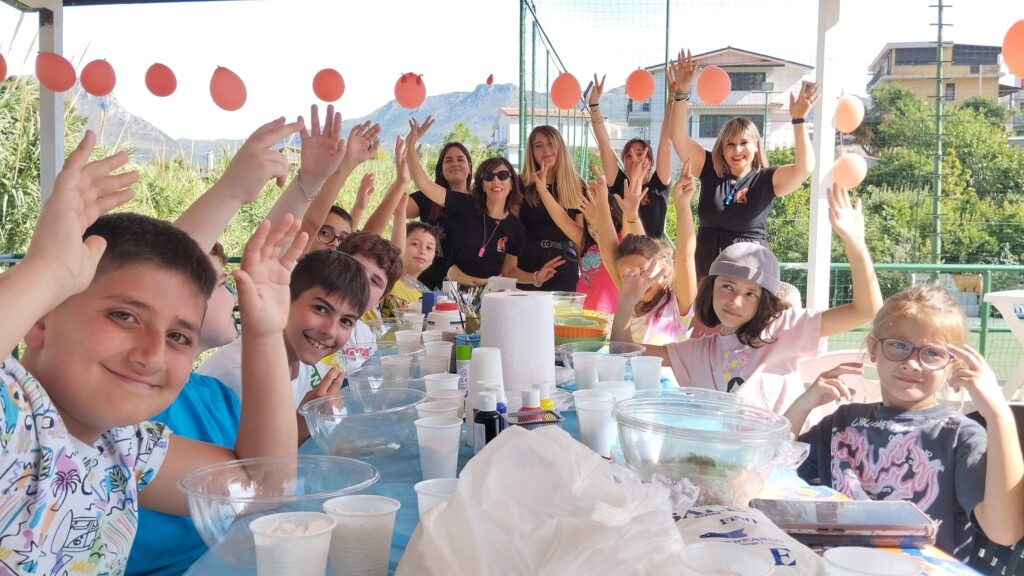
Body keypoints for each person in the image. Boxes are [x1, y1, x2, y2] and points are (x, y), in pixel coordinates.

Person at [0, 131, 303, 572]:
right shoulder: (14, 420)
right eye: (124, 316)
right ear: (40, 318)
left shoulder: (125, 447)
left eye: (179, 337)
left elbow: (263, 487)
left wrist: (266, 333)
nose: (153, 355)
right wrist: (47, 272)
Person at [785, 284, 1024, 558]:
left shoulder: (961, 436)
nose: (912, 363)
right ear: (873, 349)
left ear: (953, 365)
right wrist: (803, 404)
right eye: (899, 345)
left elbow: (1005, 532)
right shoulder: (841, 423)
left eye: (932, 353)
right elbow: (768, 471)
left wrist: (999, 417)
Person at [646, 187, 883, 414]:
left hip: (788, 442)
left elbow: (866, 311)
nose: (736, 301)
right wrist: (628, 300)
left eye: (751, 293)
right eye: (727, 286)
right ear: (711, 289)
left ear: (765, 301)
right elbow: (633, 353)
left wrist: (855, 243)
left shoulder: (784, 329)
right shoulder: (699, 351)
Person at [667, 49, 820, 278]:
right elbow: (678, 136)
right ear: (721, 149)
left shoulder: (766, 179)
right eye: (730, 144)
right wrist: (682, 90)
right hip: (706, 275)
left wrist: (798, 120)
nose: (737, 150)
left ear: (756, 145)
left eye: (744, 143)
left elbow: (804, 168)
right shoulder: (709, 169)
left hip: (749, 278)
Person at [585, 161, 698, 344]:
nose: (638, 280)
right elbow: (608, 250)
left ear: (666, 267)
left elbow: (685, 256)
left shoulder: (677, 304)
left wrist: (683, 204)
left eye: (644, 271)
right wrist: (602, 202)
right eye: (628, 276)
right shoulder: (630, 297)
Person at [587, 73, 673, 238]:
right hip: (624, 250)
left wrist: (673, 99)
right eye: (628, 155)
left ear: (650, 161)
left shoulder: (658, 186)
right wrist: (594, 105)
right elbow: (604, 146)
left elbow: (666, 144)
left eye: (640, 153)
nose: (635, 158)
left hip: (654, 252)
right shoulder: (620, 184)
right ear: (623, 163)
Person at [517, 125, 585, 292]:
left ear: (559, 146)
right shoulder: (521, 184)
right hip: (527, 263)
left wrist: (586, 272)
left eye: (550, 143)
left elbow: (580, 238)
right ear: (532, 152)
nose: (546, 150)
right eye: (538, 145)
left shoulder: (577, 185)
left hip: (565, 263)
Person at [405, 129, 474, 290]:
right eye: (448, 160)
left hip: (469, 287)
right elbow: (397, 209)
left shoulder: (480, 201)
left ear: (469, 167)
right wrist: (404, 175)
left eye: (460, 159)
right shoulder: (426, 198)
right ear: (441, 170)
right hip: (428, 286)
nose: (455, 164)